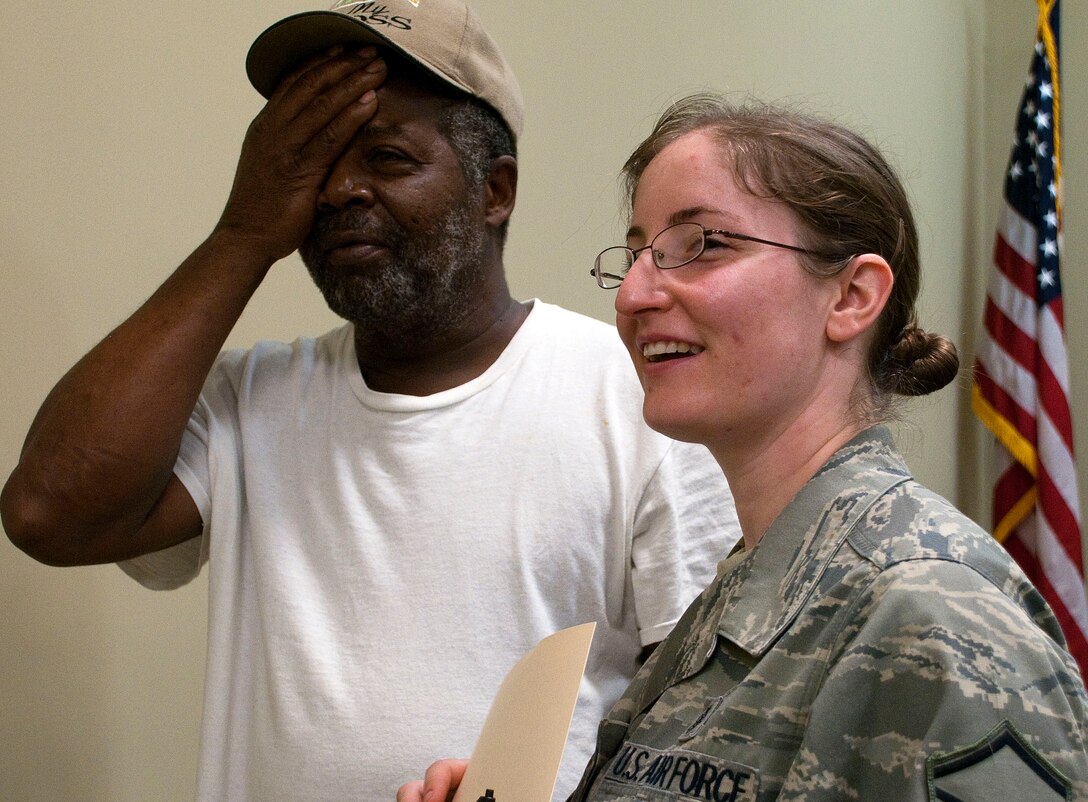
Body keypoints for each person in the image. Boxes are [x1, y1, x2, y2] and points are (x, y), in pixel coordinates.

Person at [0, 3, 740, 800]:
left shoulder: (634, 398)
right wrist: (243, 233)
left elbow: (707, 732)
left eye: (387, 158)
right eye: (313, 165)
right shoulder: (251, 403)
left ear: (495, 191)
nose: (338, 191)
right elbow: (48, 513)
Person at [399, 94, 1088, 802]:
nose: (634, 293)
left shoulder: (933, 612)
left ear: (851, 296)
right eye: (636, 254)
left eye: (703, 244)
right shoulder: (730, 601)